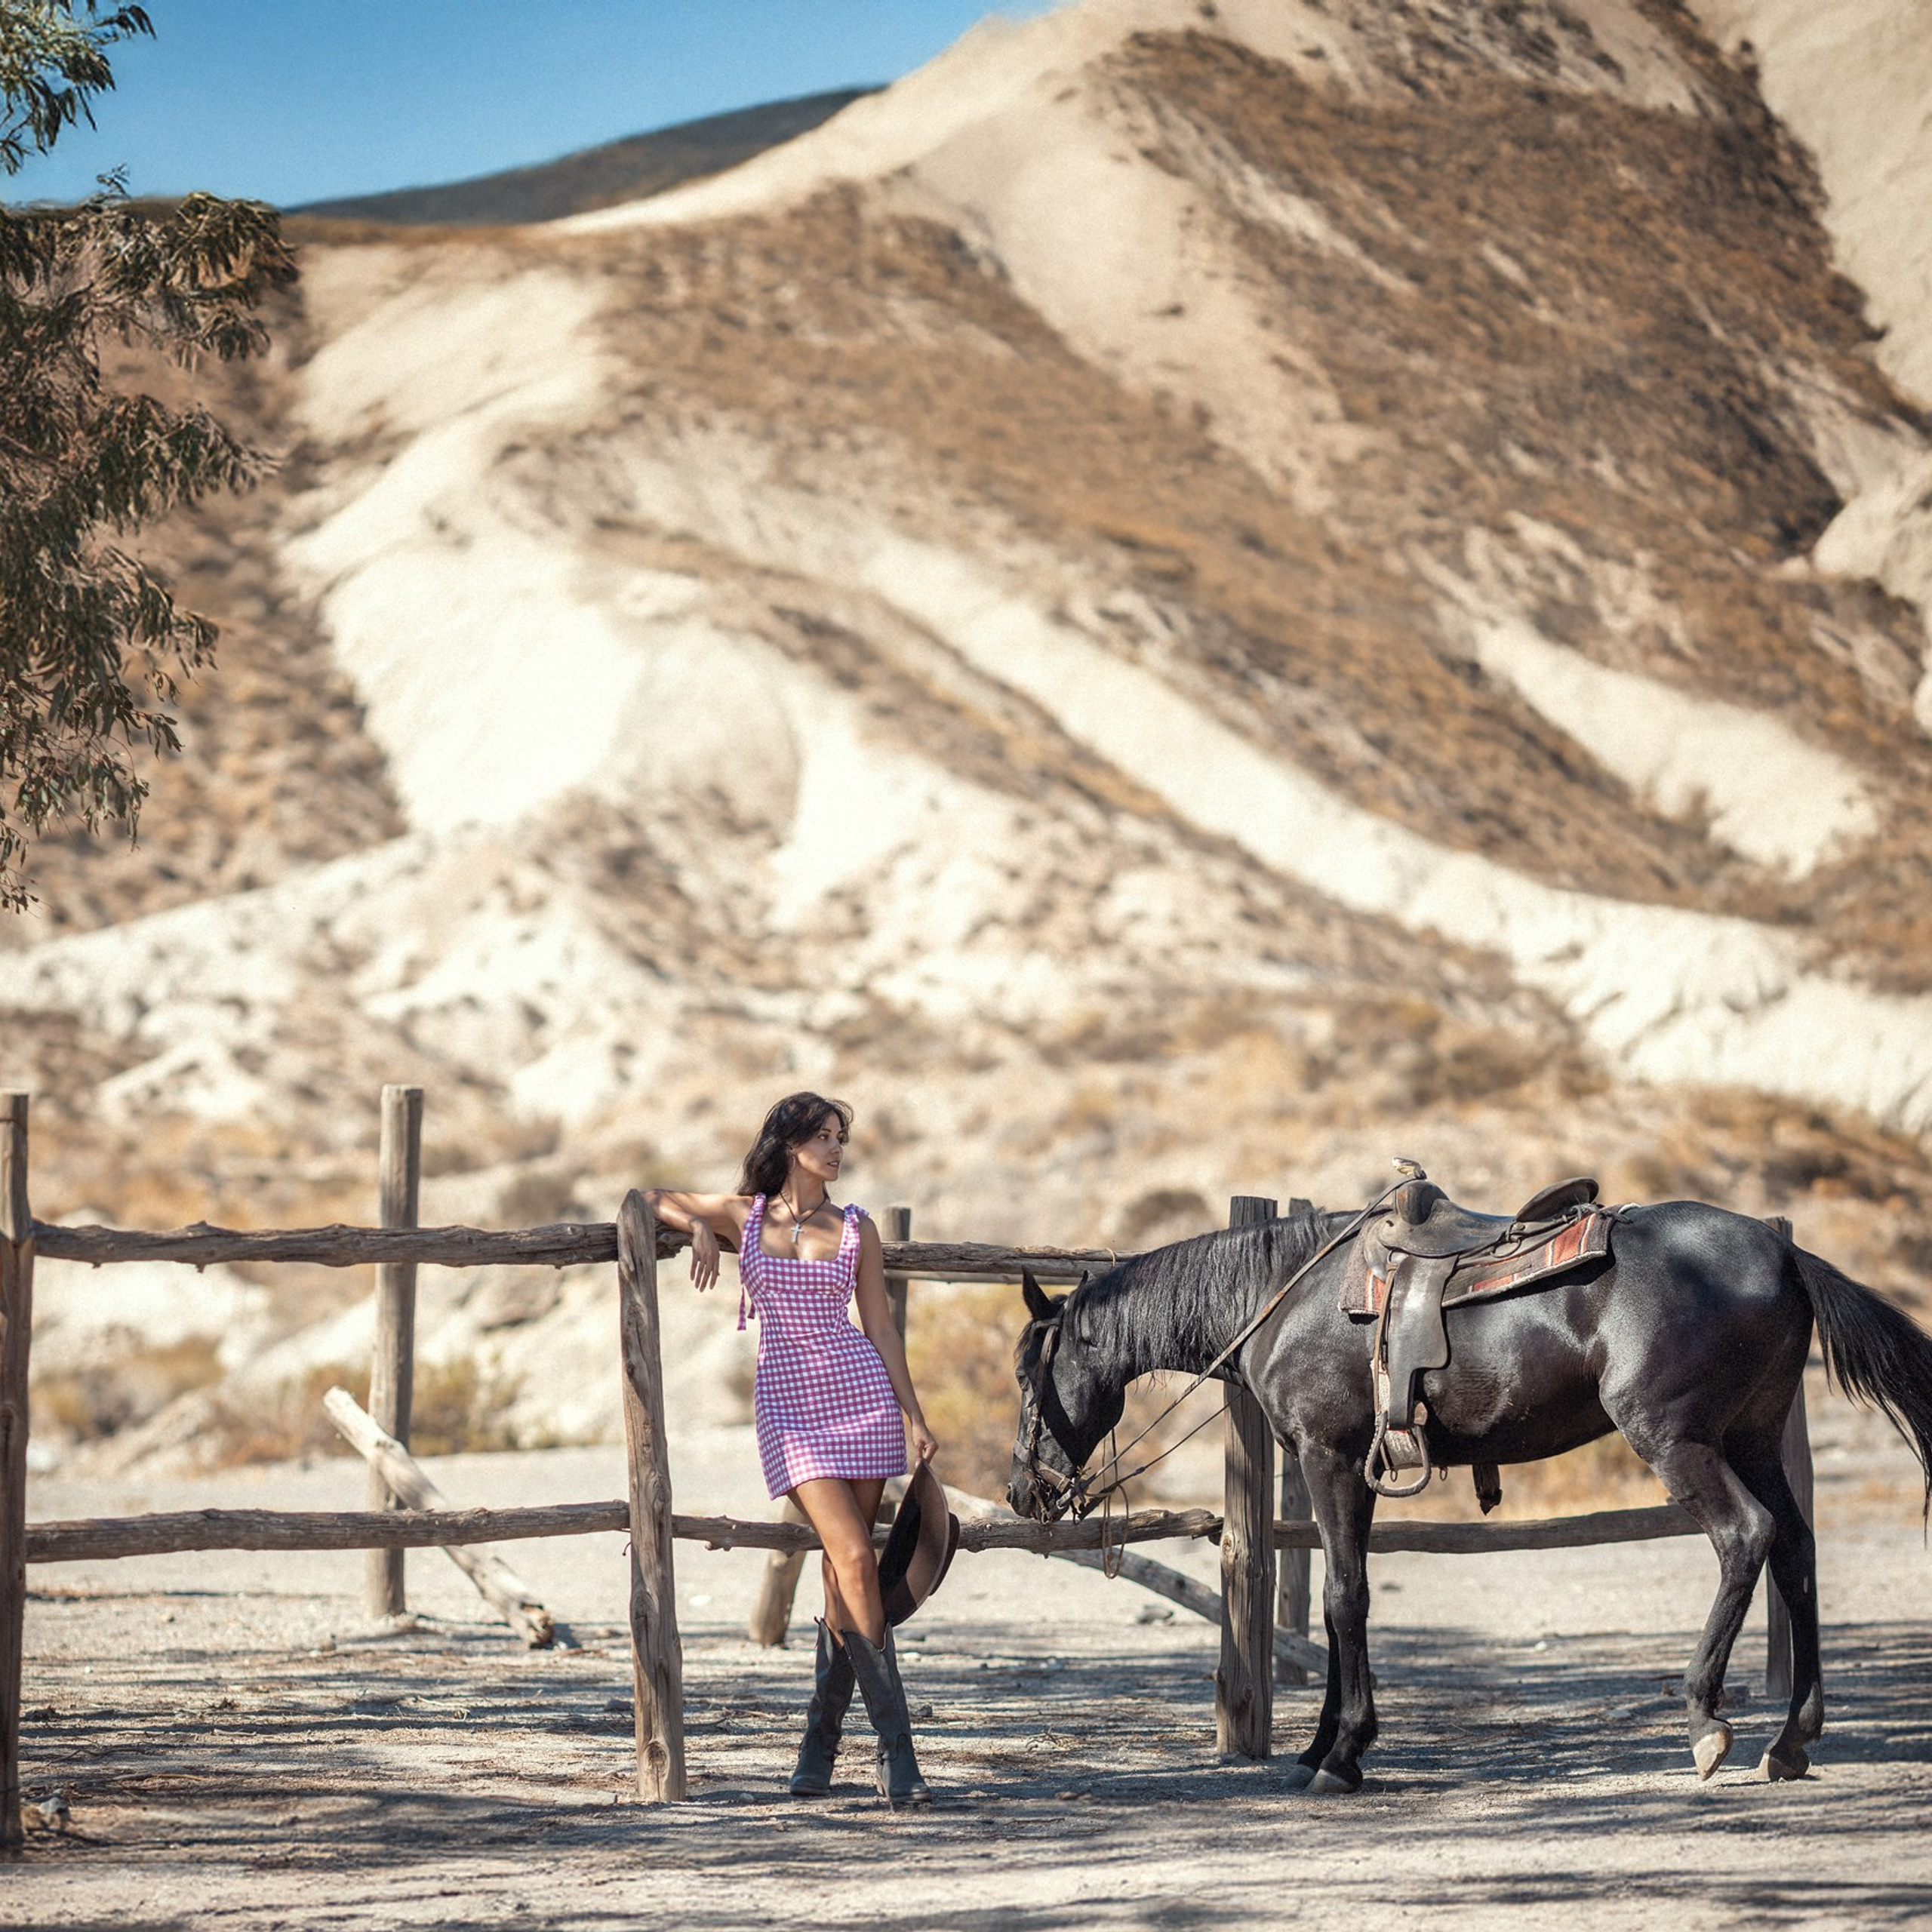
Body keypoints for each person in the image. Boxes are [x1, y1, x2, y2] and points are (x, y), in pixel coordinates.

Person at [645, 1092, 940, 1808]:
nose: (837, 1150)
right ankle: (898, 1756)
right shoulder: (747, 1215)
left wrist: (913, 1414)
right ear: (790, 1144)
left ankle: (818, 1750)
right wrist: (699, 1229)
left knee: (847, 1577)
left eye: (842, 1138)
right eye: (824, 1137)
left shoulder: (856, 1228)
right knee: (855, 1559)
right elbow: (647, 1196)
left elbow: (880, 1327)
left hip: (862, 1400)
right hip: (791, 1410)